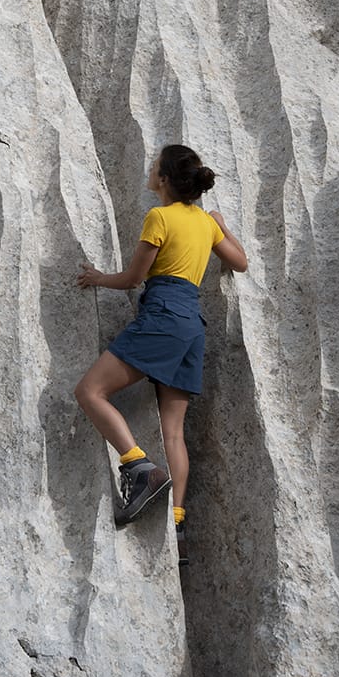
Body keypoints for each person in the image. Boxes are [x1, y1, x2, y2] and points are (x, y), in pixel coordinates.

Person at [75, 144, 247, 565]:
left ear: (166, 180)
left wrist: (98, 278)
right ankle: (178, 523)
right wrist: (221, 227)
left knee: (90, 392)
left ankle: (139, 468)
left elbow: (134, 279)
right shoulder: (205, 224)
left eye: (155, 168)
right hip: (192, 326)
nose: (150, 172)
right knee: (174, 431)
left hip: (163, 314)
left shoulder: (160, 217)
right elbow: (240, 262)